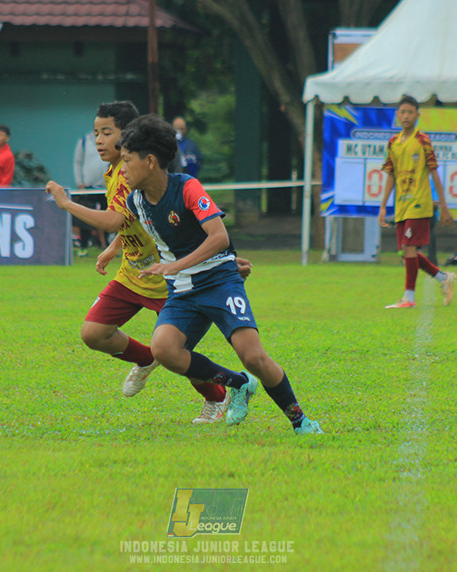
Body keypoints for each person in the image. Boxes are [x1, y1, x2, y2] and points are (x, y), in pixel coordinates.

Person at [119, 113, 322, 435]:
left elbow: (218, 237)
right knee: (164, 350)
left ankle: (301, 421)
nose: (123, 168)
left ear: (150, 161)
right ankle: (239, 384)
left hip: (219, 283)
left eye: (127, 160)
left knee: (253, 355)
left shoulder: (187, 187)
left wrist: (183, 264)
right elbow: (130, 229)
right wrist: (107, 247)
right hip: (183, 291)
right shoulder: (136, 201)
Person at [46, 102, 231, 424]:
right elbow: (134, 218)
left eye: (107, 132)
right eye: (96, 134)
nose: (100, 140)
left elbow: (115, 218)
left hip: (166, 277)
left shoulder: (132, 171)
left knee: (176, 353)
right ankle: (146, 359)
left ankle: (219, 397)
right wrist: (116, 247)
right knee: (93, 333)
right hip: (133, 271)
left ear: (128, 136)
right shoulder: (115, 170)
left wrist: (67, 204)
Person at [377, 95, 457, 309]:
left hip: (419, 204)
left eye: (410, 112)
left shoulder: (423, 141)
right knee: (406, 253)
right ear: (397, 115)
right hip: (401, 206)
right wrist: (384, 205)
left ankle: (409, 298)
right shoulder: (393, 143)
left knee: (408, 249)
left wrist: (444, 206)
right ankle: (443, 278)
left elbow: (434, 174)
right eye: (402, 112)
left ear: (417, 115)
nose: (405, 116)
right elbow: (391, 175)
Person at [72, 130, 108, 250]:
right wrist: (79, 182)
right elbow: (77, 162)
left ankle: (105, 244)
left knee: (108, 215)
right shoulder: (84, 141)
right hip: (88, 187)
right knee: (85, 216)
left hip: (106, 187)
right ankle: (84, 246)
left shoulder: (110, 140)